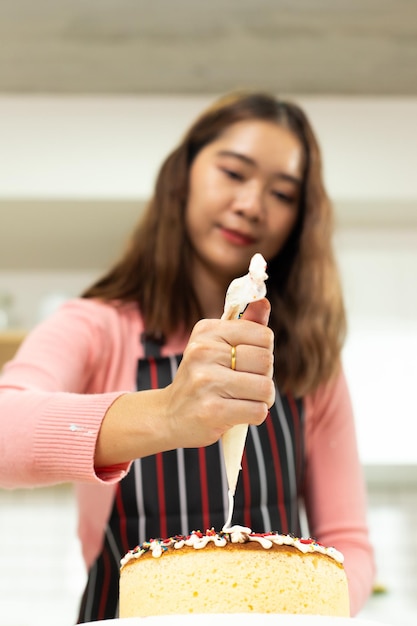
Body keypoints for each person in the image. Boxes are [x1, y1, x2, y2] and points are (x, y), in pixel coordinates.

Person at [0, 91, 375, 621]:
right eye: (233, 172)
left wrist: (314, 611)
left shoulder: (308, 362)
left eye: (283, 193)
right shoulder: (97, 328)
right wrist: (169, 413)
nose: (251, 204)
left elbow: (349, 542)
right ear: (184, 175)